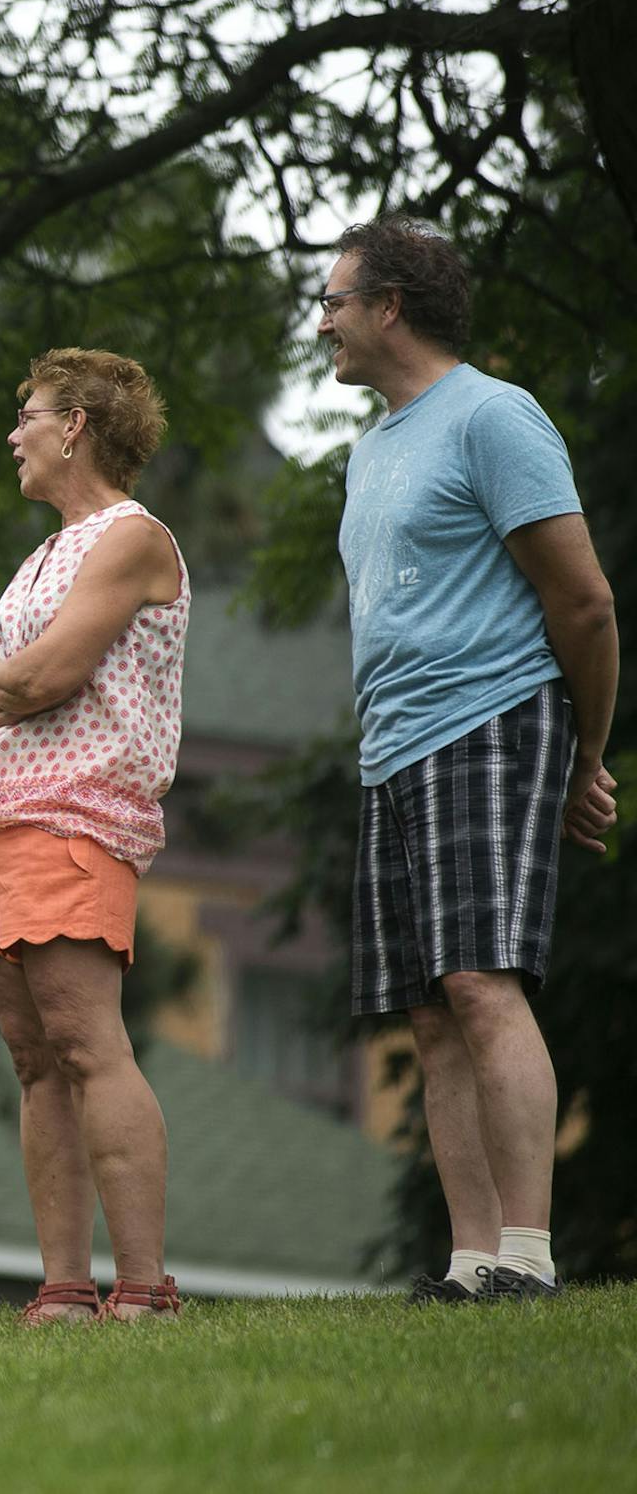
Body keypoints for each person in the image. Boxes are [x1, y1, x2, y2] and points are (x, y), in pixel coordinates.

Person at [317, 218, 618, 1305]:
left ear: (390, 304)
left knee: (484, 985)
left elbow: (582, 601)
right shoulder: (372, 448)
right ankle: (473, 1260)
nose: (324, 321)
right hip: (391, 747)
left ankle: (529, 1258)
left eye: (336, 300)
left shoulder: (496, 416)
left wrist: (586, 752)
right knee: (432, 1012)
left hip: (492, 718)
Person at [0, 348, 189, 1325]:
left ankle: (143, 1289)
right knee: (34, 1058)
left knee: (88, 1045)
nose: (16, 433)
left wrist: (17, 681)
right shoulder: (42, 557)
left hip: (77, 813)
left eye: (30, 415)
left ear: (75, 425)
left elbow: (48, 674)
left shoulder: (133, 539)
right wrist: (20, 680)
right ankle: (63, 1290)